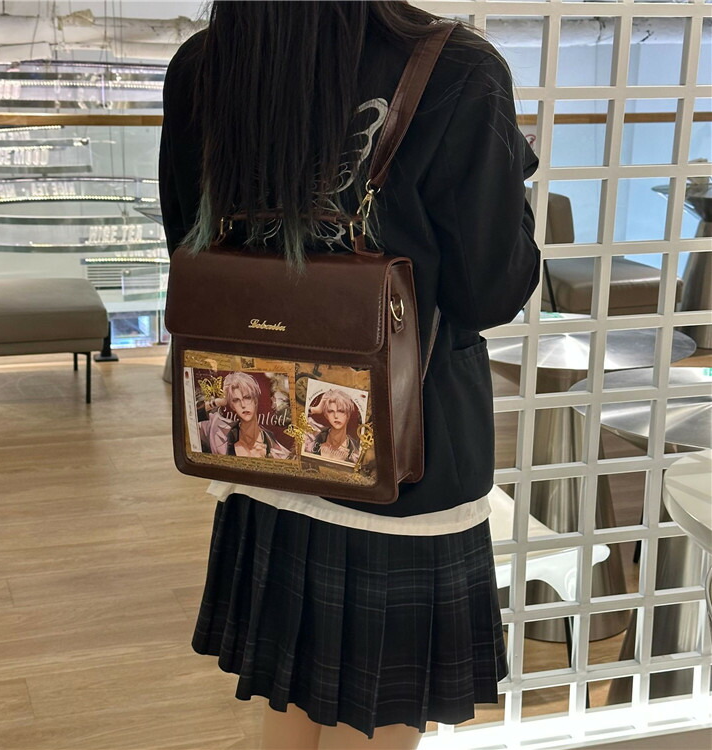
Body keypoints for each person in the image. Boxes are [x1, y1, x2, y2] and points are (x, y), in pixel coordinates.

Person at [159, 3, 540, 749]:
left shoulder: (209, 62)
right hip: (401, 466)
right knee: (375, 721)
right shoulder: (456, 68)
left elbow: (190, 244)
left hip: (263, 442)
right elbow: (489, 292)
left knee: (290, 704)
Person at [198, 371, 291, 459]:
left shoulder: (277, 450)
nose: (243, 405)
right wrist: (218, 402)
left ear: (255, 400)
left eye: (247, 397)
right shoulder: (219, 432)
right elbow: (191, 418)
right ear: (232, 406)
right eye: (236, 400)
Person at [304, 389, 361, 464]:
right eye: (331, 411)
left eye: (341, 411)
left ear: (348, 414)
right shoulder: (314, 437)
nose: (336, 416)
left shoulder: (356, 450)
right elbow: (297, 419)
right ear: (326, 415)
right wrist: (315, 410)